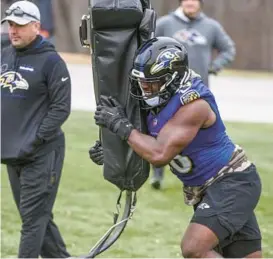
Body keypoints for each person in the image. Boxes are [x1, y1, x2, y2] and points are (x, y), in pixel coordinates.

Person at [90, 37, 262, 258]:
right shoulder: (160, 99)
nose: (146, 89)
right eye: (142, 82)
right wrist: (112, 153)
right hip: (210, 187)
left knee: (194, 248)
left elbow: (159, 153)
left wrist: (119, 125)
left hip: (230, 181)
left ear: (173, 78)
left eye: (152, 82)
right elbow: (145, 142)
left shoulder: (193, 104)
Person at [1, 1, 71, 258]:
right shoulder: (5, 55)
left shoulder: (52, 62)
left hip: (41, 155)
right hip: (12, 155)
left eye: (19, 25)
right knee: (37, 217)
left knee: (32, 222)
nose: (13, 30)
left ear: (36, 26)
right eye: (10, 24)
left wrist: (34, 140)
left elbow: (61, 109)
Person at [151, 0, 236, 189]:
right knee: (162, 130)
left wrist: (214, 66)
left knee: (199, 134)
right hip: (167, 89)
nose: (191, 3)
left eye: (195, 1)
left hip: (198, 91)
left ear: (200, 4)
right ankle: (157, 175)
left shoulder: (211, 26)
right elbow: (148, 47)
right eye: (187, 0)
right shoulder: (165, 24)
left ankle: (202, 175)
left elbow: (229, 49)